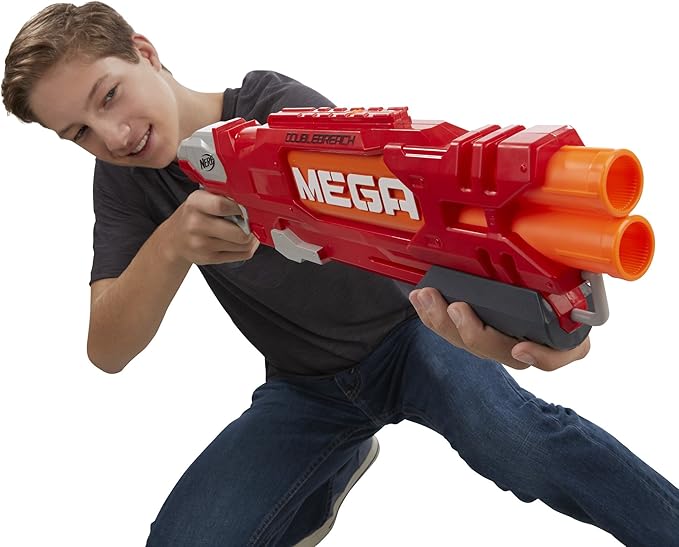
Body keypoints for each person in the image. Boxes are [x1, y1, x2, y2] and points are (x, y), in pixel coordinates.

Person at [3, 2, 678, 545]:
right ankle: (333, 469)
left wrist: (533, 308)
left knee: (524, 444)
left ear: (145, 52)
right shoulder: (127, 181)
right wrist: (170, 245)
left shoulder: (271, 106)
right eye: (79, 132)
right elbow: (107, 349)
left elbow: (416, 206)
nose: (113, 136)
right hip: (306, 386)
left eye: (109, 96)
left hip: (416, 334)